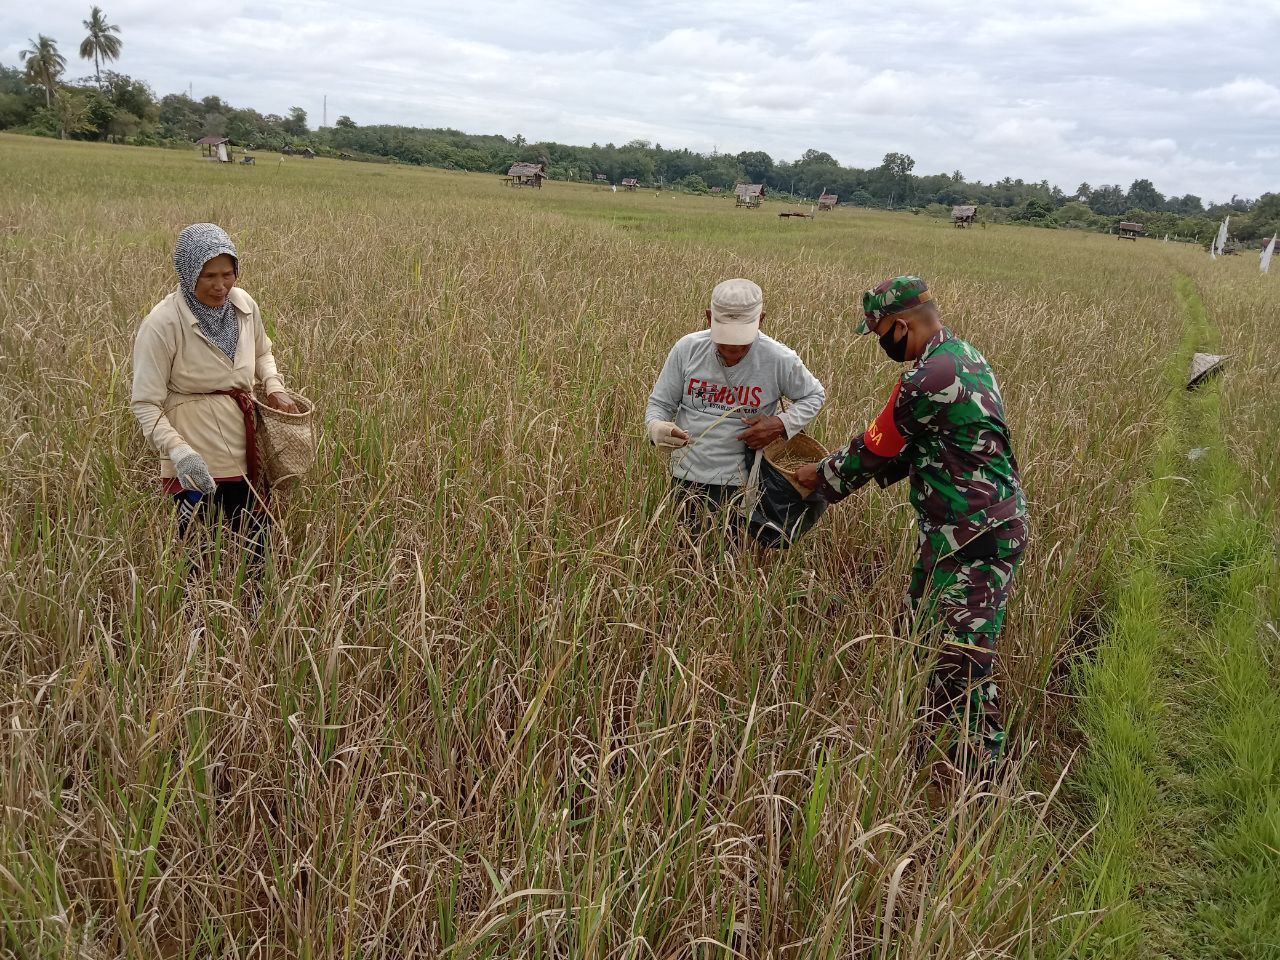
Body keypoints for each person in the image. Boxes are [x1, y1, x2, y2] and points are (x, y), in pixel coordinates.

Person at [795, 276, 1028, 767]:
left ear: (900, 326)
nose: (881, 344)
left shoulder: (928, 379)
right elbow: (923, 445)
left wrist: (817, 477)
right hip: (951, 533)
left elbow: (874, 449)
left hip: (977, 537)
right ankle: (926, 741)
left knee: (962, 659)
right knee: (919, 632)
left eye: (881, 334)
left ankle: (984, 781)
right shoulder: (964, 355)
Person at [131, 223, 298, 564]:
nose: (221, 286)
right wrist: (180, 453)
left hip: (245, 449)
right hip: (196, 454)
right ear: (188, 272)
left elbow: (263, 352)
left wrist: (274, 387)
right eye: (208, 276)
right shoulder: (162, 324)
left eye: (228, 274)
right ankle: (197, 616)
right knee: (198, 552)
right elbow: (145, 403)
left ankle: (254, 613)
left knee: (256, 547)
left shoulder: (244, 305)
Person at [645, 278, 826, 533]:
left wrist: (779, 424)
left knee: (735, 554)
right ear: (709, 318)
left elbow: (814, 395)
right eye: (725, 337)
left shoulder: (778, 358)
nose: (732, 347)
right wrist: (657, 429)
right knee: (685, 551)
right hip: (685, 478)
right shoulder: (687, 350)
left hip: (745, 483)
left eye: (741, 340)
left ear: (761, 320)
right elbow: (659, 404)